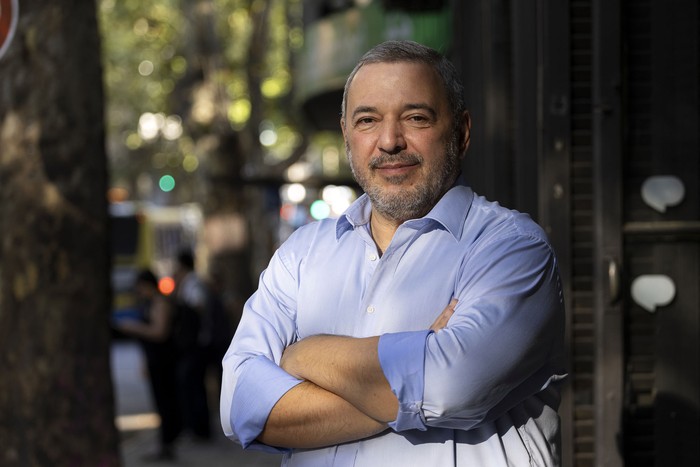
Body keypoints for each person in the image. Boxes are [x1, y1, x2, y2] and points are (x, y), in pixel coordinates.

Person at [220, 40, 567, 466]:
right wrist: (415, 365)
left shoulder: (512, 248)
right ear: (346, 133)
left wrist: (302, 354)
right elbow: (241, 406)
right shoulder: (300, 255)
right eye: (367, 120)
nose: (389, 141)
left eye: (415, 117)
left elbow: (449, 387)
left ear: (461, 131)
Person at [114, 269, 181, 461]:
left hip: (164, 361)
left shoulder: (160, 303)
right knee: (162, 402)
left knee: (166, 402)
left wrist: (132, 327)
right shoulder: (151, 303)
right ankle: (166, 442)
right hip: (156, 360)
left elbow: (159, 332)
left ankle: (168, 443)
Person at [171, 249, 212, 441]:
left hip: (195, 344)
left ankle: (200, 428)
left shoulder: (192, 284)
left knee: (193, 384)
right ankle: (198, 426)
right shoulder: (189, 283)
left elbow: (198, 306)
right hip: (194, 343)